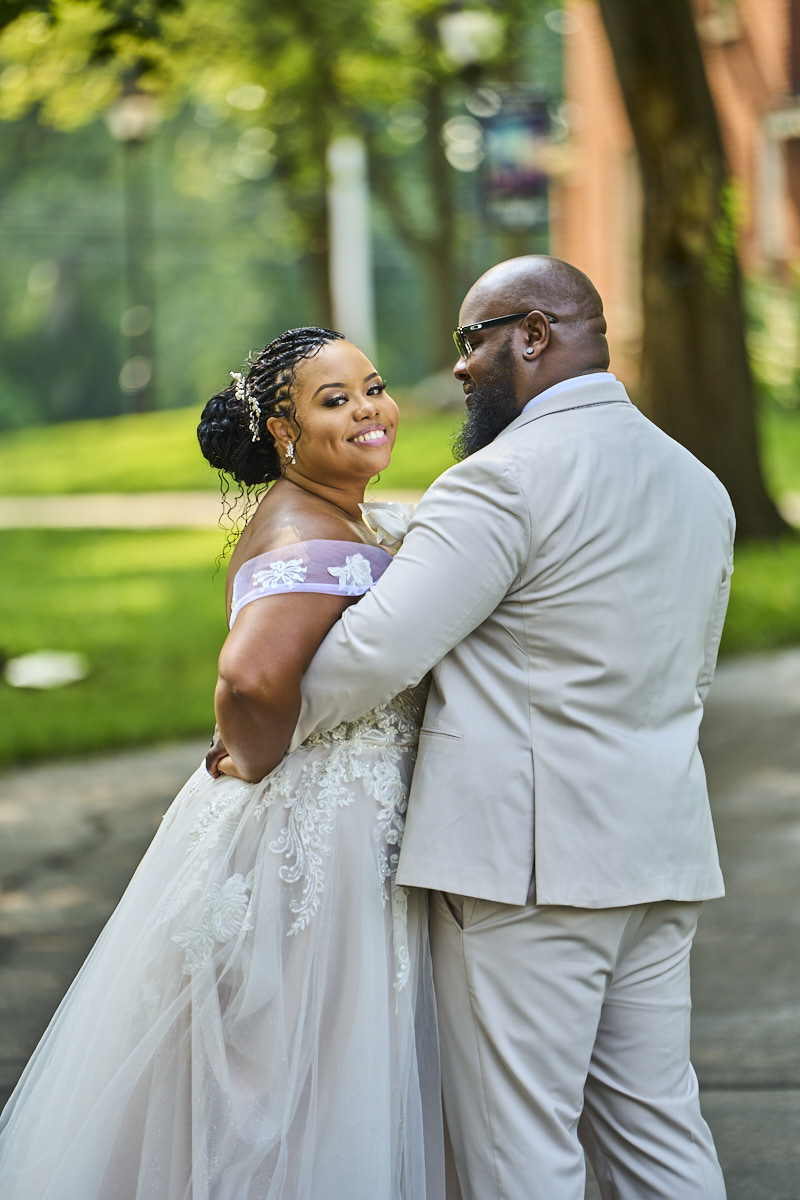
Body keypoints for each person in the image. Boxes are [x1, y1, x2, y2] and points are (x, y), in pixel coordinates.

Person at [290, 257, 734, 1200]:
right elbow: (689, 674)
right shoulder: (699, 484)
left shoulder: (499, 482)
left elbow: (370, 655)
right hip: (660, 856)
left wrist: (267, 728)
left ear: (533, 335)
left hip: (527, 876)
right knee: (660, 1139)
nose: (458, 366)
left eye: (472, 340)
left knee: (517, 1155)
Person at [0, 327, 444, 1200]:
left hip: (333, 820)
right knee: (297, 1065)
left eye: (374, 387)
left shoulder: (328, 513)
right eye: (335, 400)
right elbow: (247, 678)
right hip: (318, 832)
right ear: (282, 432)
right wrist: (254, 753)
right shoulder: (309, 540)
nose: (370, 410)